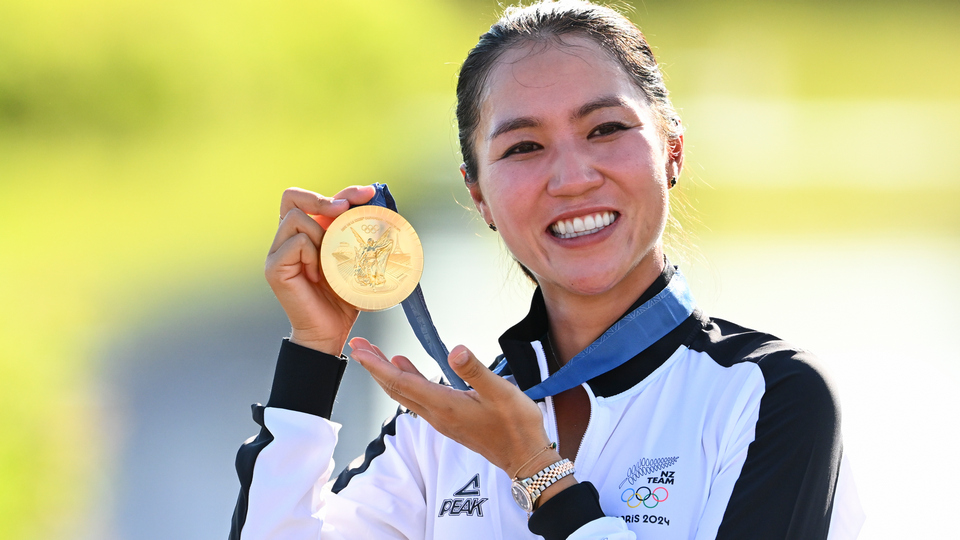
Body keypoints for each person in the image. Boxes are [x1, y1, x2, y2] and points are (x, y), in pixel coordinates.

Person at [230, 1, 863, 539]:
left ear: (672, 151)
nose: (573, 177)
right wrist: (314, 353)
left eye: (605, 128)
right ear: (478, 196)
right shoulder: (442, 428)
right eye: (524, 147)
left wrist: (537, 471)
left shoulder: (769, 398)